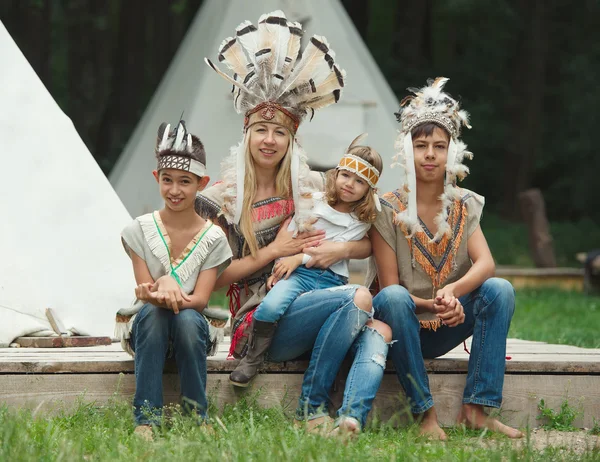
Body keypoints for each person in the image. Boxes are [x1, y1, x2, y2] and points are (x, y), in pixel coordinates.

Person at [193, 10, 381, 433]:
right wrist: (276, 251)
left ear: (291, 139)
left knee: (373, 323)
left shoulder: (311, 187)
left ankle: (343, 414)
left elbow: (365, 227)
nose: (269, 140)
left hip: (309, 299)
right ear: (247, 133)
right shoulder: (220, 197)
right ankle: (312, 411)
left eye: (280, 132)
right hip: (255, 321)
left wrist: (342, 249)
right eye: (261, 129)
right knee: (356, 302)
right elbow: (218, 280)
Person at [358, 77, 523, 439]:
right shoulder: (387, 209)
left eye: (439, 146)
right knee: (393, 297)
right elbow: (389, 288)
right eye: (421, 145)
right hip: (404, 325)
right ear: (407, 151)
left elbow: (486, 263)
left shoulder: (463, 203)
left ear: (452, 152)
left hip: (450, 320)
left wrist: (453, 293)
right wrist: (435, 303)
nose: (430, 154)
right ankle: (425, 414)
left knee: (500, 289)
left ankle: (476, 408)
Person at [229, 135, 391, 387]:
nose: (349, 184)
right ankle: (253, 357)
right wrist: (284, 263)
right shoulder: (313, 203)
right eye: (346, 175)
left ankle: (331, 378)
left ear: (369, 189)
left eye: (360, 181)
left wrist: (298, 257)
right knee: (271, 306)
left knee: (338, 317)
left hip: (331, 279)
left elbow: (331, 250)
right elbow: (291, 236)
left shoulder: (363, 220)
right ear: (336, 174)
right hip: (298, 274)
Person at [114, 121, 232, 440]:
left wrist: (168, 285)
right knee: (153, 313)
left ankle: (197, 414)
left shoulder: (213, 238)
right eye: (167, 180)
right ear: (157, 178)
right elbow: (145, 292)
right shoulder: (139, 230)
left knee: (187, 318)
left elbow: (201, 300)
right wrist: (157, 290)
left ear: (201, 183)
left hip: (191, 330)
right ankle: (147, 419)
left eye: (185, 181)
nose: (175, 190)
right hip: (149, 333)